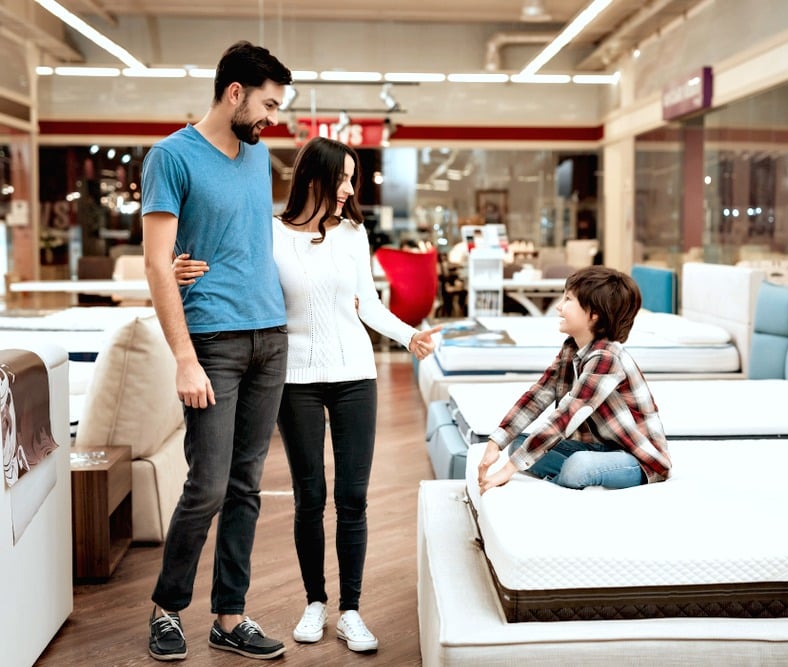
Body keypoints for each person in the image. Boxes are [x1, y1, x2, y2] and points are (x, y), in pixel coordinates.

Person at [174, 137, 440, 653]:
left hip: (355, 374)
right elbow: (228, 271)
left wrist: (409, 335)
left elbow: (368, 303)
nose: (347, 189)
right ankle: (315, 601)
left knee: (353, 498)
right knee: (310, 497)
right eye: (339, 177)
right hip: (293, 377)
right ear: (311, 178)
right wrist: (178, 270)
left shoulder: (354, 234)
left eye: (351, 179)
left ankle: (351, 611)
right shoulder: (270, 234)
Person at [141, 41, 293, 661]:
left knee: (247, 486)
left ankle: (229, 616)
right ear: (235, 92)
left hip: (270, 336)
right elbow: (157, 262)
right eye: (268, 104)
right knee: (206, 484)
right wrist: (183, 356)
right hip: (213, 341)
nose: (272, 119)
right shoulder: (171, 157)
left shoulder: (257, 158)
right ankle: (166, 609)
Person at [477, 266, 672, 494]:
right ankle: (571, 474)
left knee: (578, 465)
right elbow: (538, 395)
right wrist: (496, 443)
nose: (559, 307)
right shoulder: (572, 347)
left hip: (637, 458)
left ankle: (566, 479)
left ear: (595, 313)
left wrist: (508, 470)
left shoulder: (607, 357)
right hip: (599, 448)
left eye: (568, 299)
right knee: (518, 445)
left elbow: (568, 415)